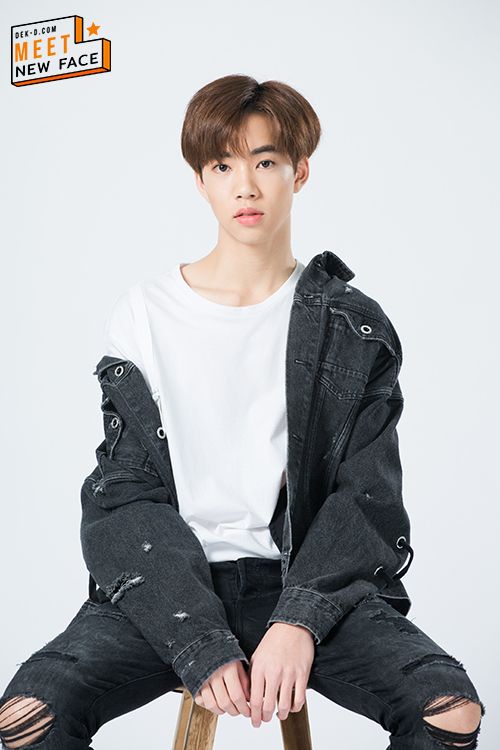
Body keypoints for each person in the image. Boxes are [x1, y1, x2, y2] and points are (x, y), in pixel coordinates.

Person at [0, 74, 485, 749]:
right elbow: (124, 496)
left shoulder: (353, 326)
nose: (245, 187)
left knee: (449, 710)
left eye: (265, 162)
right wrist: (195, 636)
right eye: (223, 166)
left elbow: (367, 498)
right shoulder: (146, 314)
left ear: (299, 171)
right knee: (32, 714)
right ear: (201, 182)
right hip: (169, 581)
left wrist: (300, 618)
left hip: (307, 582)